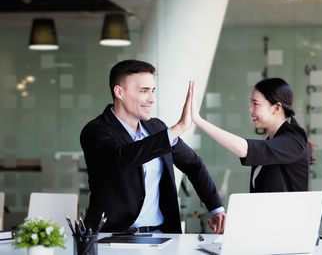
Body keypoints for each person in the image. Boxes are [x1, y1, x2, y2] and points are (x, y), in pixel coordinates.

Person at [80, 60, 225, 233]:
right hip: (112, 238)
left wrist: (216, 208)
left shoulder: (157, 129)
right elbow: (121, 159)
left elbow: (193, 165)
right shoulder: (95, 131)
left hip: (159, 236)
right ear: (119, 92)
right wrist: (177, 128)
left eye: (153, 91)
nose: (151, 99)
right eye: (144, 91)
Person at [189, 78, 314, 193]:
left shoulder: (294, 138)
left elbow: (246, 149)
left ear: (276, 108)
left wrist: (198, 120)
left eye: (256, 103)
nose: (250, 109)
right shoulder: (273, 142)